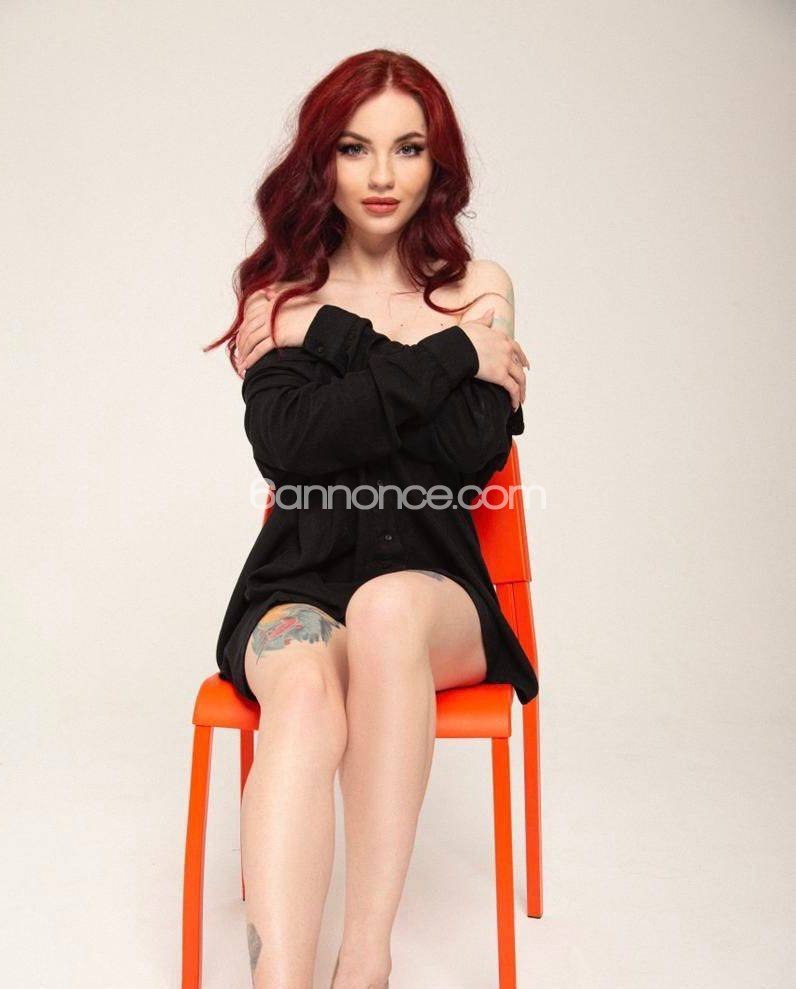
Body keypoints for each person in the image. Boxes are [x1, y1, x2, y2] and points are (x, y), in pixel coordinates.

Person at [203, 48, 537, 989]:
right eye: (356, 148)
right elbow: (293, 444)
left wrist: (330, 342)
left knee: (386, 607)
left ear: (438, 162)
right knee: (306, 695)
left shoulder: (479, 288)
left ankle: (365, 962)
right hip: (297, 584)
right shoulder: (278, 300)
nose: (383, 175)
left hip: (433, 592)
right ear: (324, 161)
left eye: (408, 148)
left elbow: (467, 446)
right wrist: (448, 357)